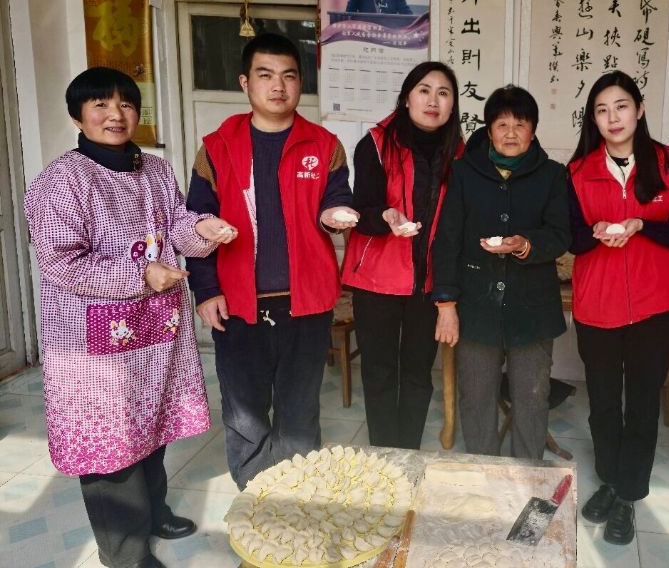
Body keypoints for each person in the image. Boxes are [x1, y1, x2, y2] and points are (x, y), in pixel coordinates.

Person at [24, 67, 238, 568]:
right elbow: (61, 263)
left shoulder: (155, 169)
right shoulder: (62, 181)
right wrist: (141, 274)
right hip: (91, 344)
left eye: (125, 104)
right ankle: (124, 552)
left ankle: (153, 512)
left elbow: (177, 225)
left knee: (150, 426)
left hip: (153, 331)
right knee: (109, 444)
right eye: (100, 104)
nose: (115, 115)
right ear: (77, 116)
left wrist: (203, 228)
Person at [186, 32, 357, 489]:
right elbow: (196, 224)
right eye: (265, 75)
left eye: (288, 76)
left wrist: (336, 214)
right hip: (237, 303)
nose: (278, 86)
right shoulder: (217, 147)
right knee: (245, 413)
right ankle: (255, 499)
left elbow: (337, 198)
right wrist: (206, 290)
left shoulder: (324, 145)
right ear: (245, 82)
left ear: (300, 83)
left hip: (306, 302)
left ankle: (295, 500)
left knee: (299, 410)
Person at [567, 70, 669, 545]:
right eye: (601, 110)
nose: (612, 118)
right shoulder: (577, 171)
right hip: (597, 303)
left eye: (621, 106)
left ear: (639, 110)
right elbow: (571, 237)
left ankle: (629, 492)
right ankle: (609, 478)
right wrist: (596, 232)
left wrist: (642, 224)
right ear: (593, 119)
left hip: (653, 304)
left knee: (642, 401)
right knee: (603, 401)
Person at [432, 85, 570, 459]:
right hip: (476, 305)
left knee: (532, 398)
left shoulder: (552, 175)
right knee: (476, 397)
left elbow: (561, 234)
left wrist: (526, 244)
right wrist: (446, 302)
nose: (511, 133)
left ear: (533, 131)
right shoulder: (464, 173)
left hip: (533, 307)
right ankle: (483, 473)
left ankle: (526, 474)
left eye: (520, 125)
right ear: (489, 130)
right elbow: (447, 240)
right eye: (502, 124)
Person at [340, 61, 463, 449]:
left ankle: (407, 454)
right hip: (377, 280)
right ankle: (384, 456)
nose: (433, 101)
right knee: (379, 373)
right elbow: (361, 211)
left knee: (417, 374)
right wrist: (385, 216)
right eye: (424, 90)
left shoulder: (459, 153)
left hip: (428, 283)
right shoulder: (376, 144)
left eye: (443, 93)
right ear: (407, 97)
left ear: (453, 105)